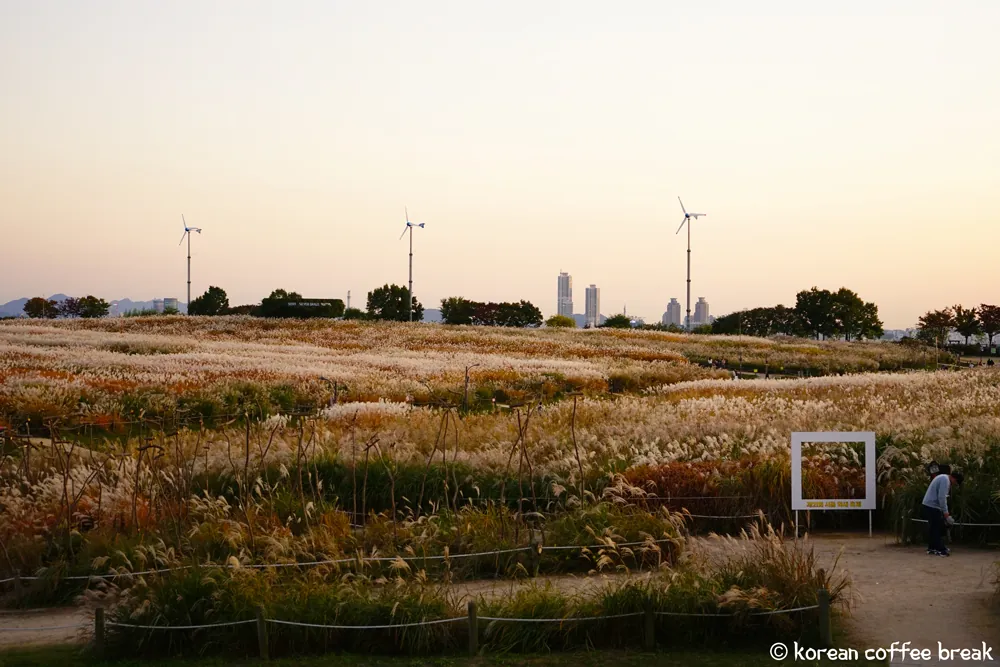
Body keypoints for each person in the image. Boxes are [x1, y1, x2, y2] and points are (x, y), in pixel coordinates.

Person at [922, 469, 963, 556]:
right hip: (932, 506)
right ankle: (940, 549)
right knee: (937, 528)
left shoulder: (943, 477)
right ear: (954, 478)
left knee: (933, 528)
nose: (954, 484)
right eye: (956, 482)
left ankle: (932, 548)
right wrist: (946, 515)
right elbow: (942, 498)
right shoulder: (945, 480)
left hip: (929, 504)